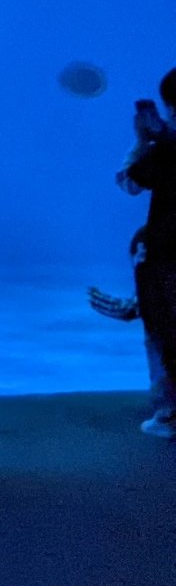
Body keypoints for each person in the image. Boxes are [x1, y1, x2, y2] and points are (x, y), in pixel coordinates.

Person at [120, 70, 176, 438]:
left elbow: (129, 181)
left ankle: (170, 414)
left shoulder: (167, 150)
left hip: (167, 255)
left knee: (164, 330)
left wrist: (144, 140)